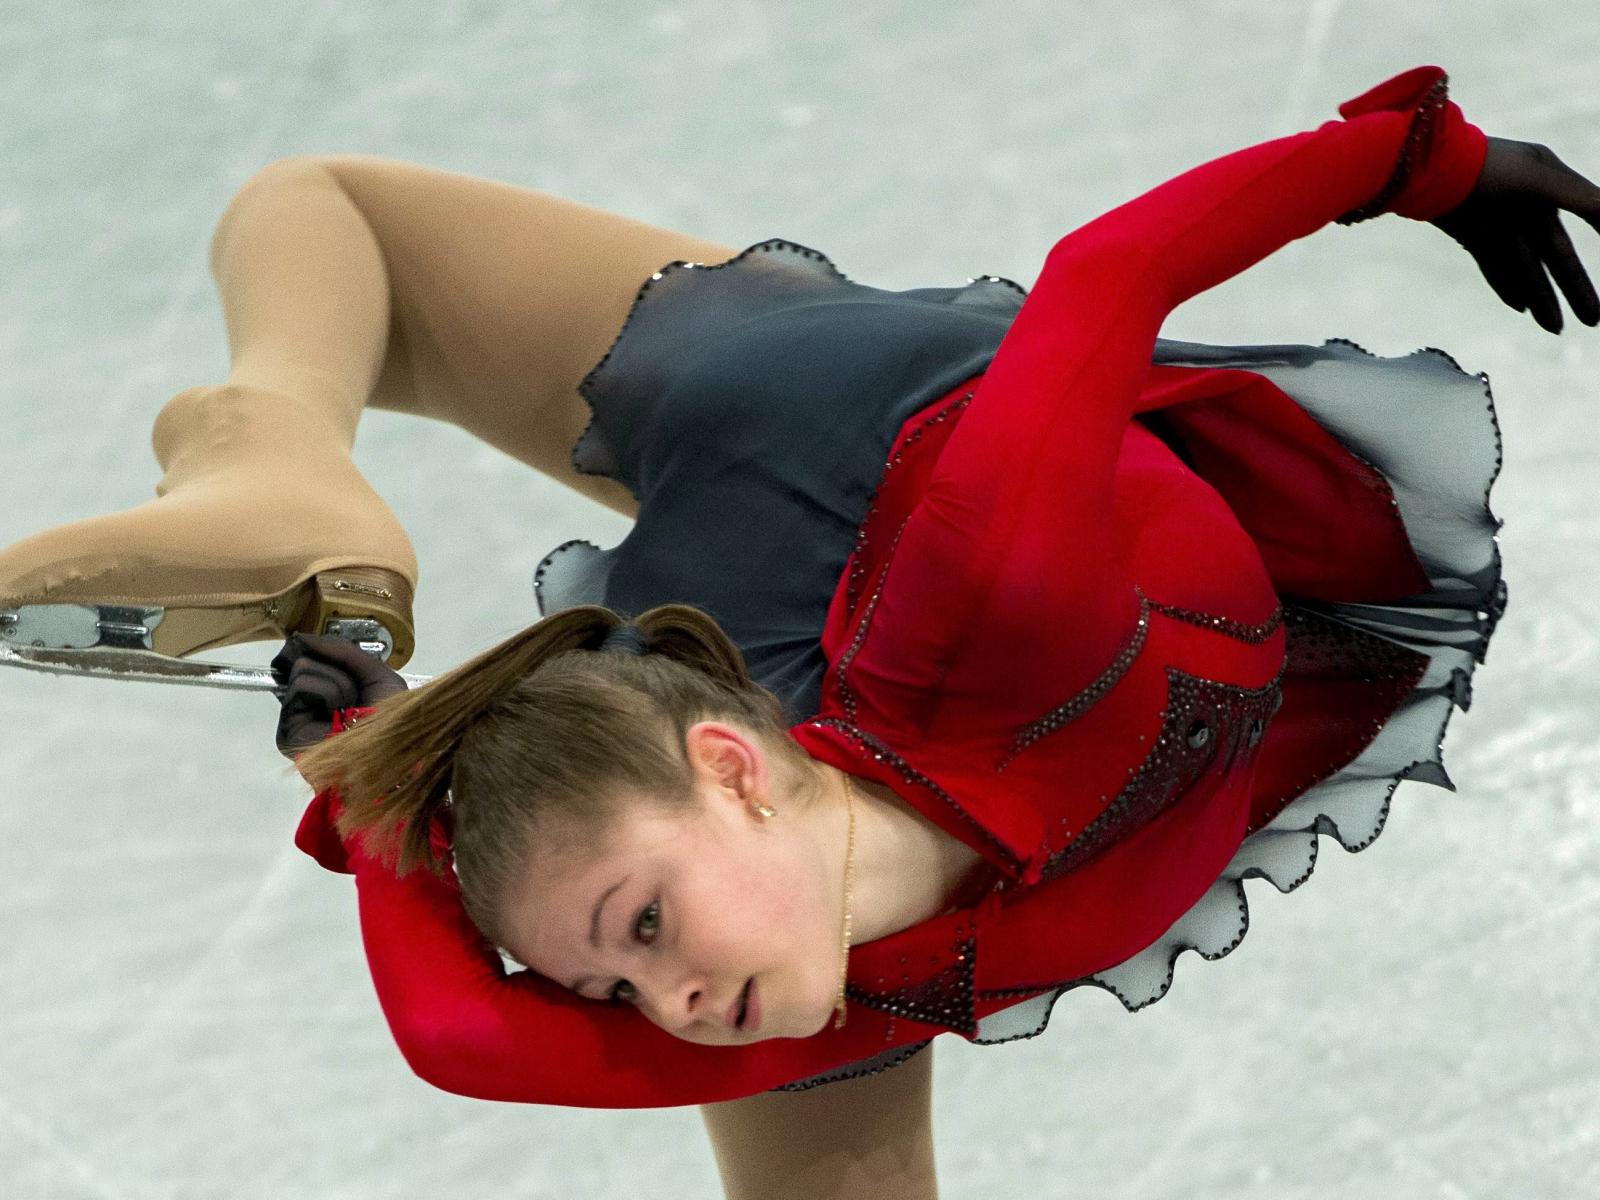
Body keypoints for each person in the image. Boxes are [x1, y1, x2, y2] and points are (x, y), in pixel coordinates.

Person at [3, 63, 1596, 1198]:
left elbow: (1111, 277)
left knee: (331, 211)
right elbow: (458, 1033)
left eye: (641, 933)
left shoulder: (1001, 592)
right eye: (613, 991)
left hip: (834, 436)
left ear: (731, 770)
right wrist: (369, 776)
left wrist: (1430, 160)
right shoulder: (754, 967)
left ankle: (272, 441)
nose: (669, 1014)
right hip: (781, 721)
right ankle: (280, 463)